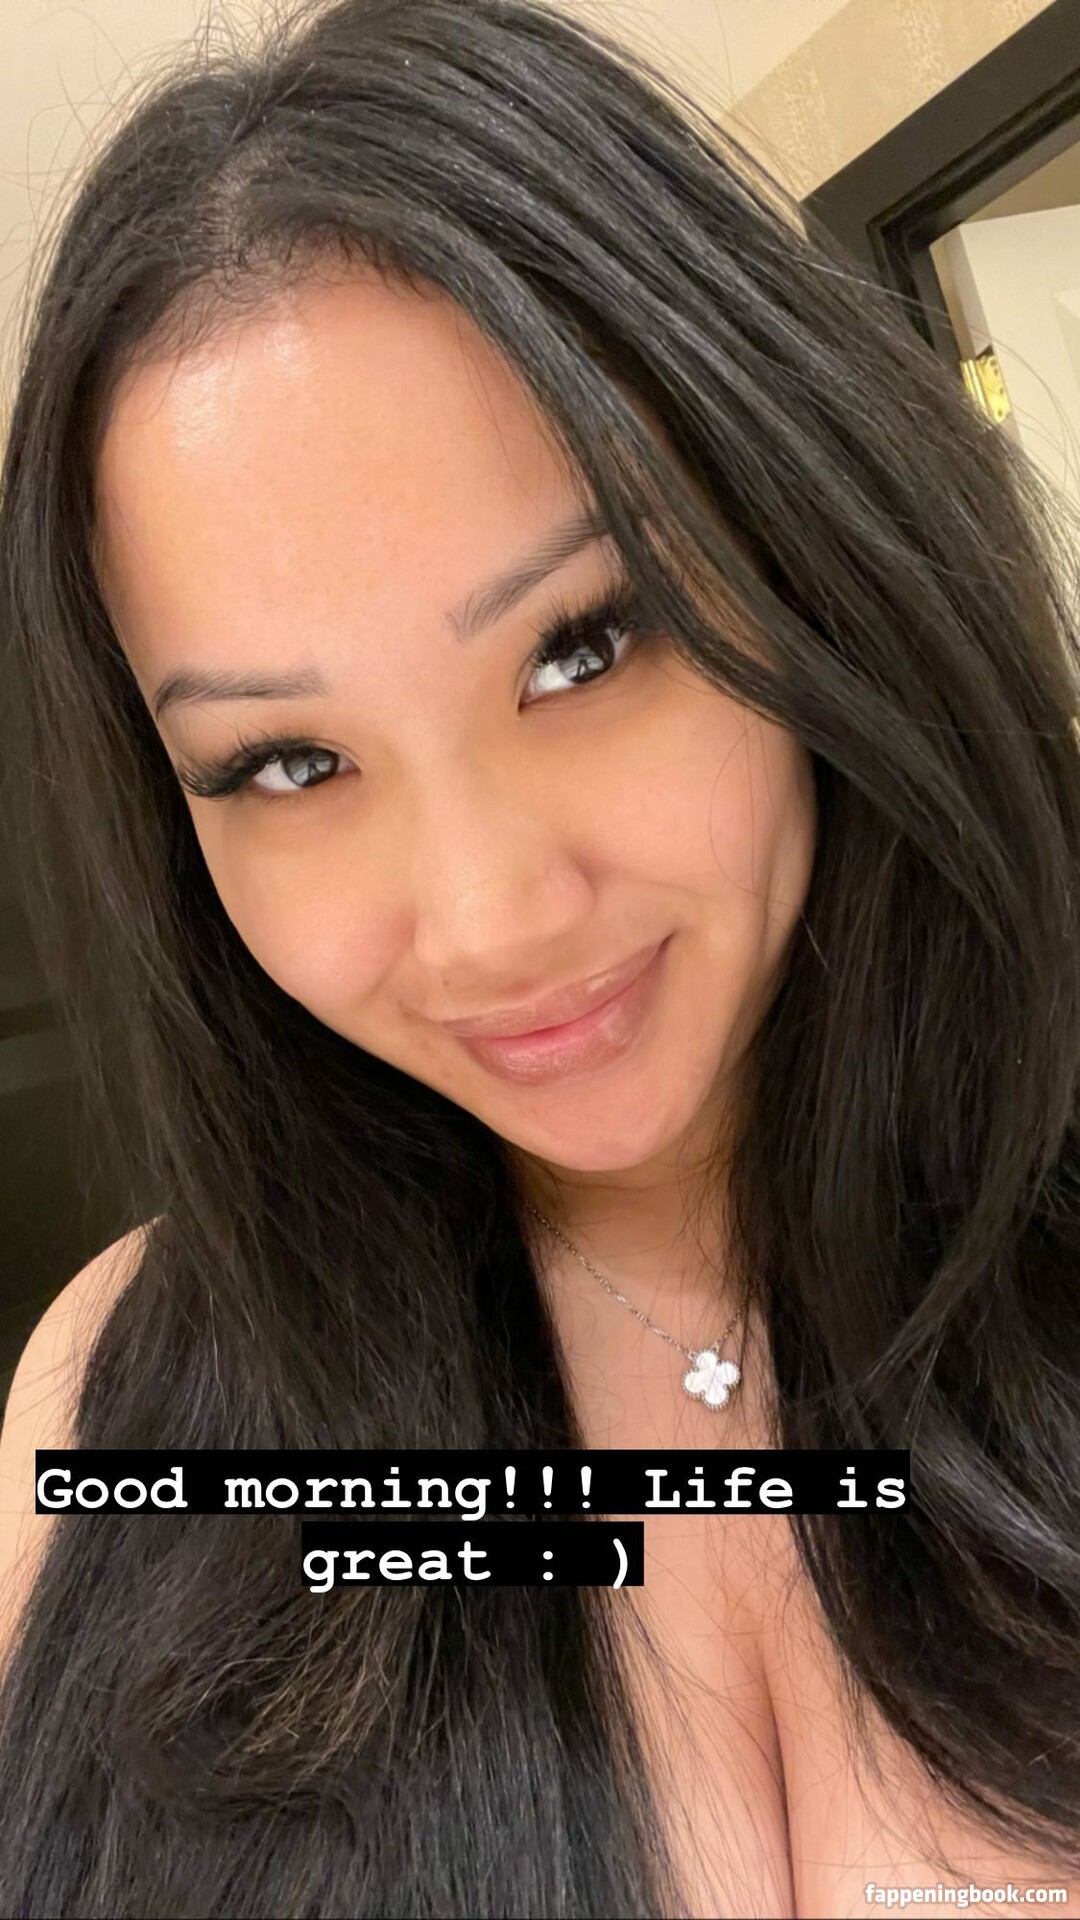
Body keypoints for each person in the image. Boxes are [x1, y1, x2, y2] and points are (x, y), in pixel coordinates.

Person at [1, 0, 1079, 1913]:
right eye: (286, 763)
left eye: (582, 648)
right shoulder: (117, 1407)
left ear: (810, 548)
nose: (491, 914)